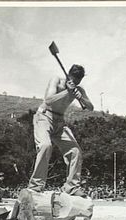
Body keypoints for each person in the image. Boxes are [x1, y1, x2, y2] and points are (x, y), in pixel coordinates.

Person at [28, 64, 94, 197]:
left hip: (60, 122)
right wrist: (67, 92)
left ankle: (72, 187)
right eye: (73, 80)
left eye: (78, 81)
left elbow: (90, 107)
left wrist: (81, 97)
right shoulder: (56, 80)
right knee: (46, 146)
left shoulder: (78, 89)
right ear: (68, 75)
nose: (75, 83)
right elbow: (48, 100)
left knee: (75, 151)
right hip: (45, 116)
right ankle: (36, 186)